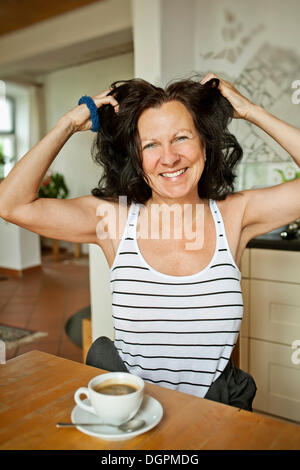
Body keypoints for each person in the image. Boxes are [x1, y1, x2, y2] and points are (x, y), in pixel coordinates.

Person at [0, 73, 299, 412]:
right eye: (151, 145)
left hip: (214, 416)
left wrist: (251, 111)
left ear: (204, 143)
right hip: (130, 411)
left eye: (182, 137)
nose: (169, 158)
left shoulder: (236, 215)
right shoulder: (113, 220)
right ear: (136, 157)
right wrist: (69, 122)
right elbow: (11, 204)